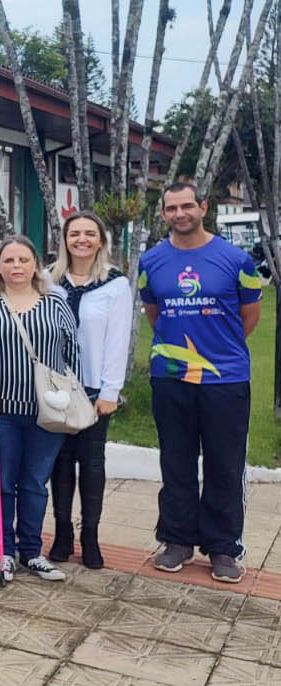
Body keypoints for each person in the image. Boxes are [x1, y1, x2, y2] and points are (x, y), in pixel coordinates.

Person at [139, 181, 263, 583]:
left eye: (187, 206)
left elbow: (250, 317)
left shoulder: (237, 260)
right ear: (163, 213)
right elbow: (154, 313)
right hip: (171, 376)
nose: (180, 214)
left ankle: (224, 547)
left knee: (223, 464)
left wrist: (217, 349)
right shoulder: (151, 261)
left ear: (203, 208)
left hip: (224, 378)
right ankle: (176, 539)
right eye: (172, 208)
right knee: (175, 461)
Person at [0, 236, 79, 584]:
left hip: (47, 412)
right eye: (8, 260)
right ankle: (3, 551)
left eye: (23, 260)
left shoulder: (54, 304)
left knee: (34, 483)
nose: (16, 267)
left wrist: (71, 396)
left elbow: (72, 352)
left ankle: (31, 552)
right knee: (1, 483)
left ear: (35, 265)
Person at [48, 212, 133, 569]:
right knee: (60, 461)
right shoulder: (47, 279)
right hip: (55, 385)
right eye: (74, 234)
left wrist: (111, 390)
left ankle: (91, 536)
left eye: (89, 234)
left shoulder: (115, 284)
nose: (81, 239)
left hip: (95, 386)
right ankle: (63, 532)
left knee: (92, 463)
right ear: (65, 240)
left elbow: (118, 340)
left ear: (100, 240)